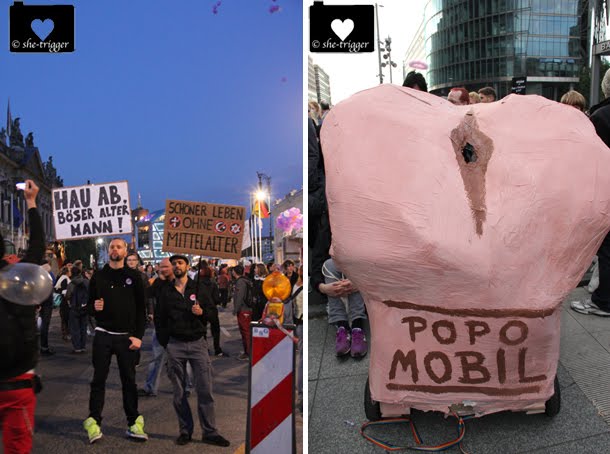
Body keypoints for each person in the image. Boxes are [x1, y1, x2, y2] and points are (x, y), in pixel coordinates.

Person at [156, 255, 230, 447]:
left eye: (180, 263)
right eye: (174, 264)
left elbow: (213, 314)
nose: (176, 266)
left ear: (187, 266)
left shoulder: (200, 289)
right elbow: (160, 318)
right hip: (175, 345)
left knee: (205, 390)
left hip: (197, 344)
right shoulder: (166, 291)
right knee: (179, 393)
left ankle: (210, 432)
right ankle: (185, 430)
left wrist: (202, 313)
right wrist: (166, 342)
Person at [83, 238, 148, 443]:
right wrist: (95, 308)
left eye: (119, 246)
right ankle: (94, 422)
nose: (115, 249)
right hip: (103, 335)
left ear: (125, 250)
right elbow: (90, 306)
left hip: (126, 337)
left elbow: (141, 310)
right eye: (112, 247)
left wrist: (138, 336)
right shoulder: (99, 276)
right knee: (98, 380)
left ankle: (134, 423)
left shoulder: (135, 276)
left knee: (129, 381)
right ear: (108, 250)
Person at [0, 179, 45, 454]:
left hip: (18, 383)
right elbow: (38, 245)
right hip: (18, 384)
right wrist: (31, 202)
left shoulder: (19, 276)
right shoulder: (20, 279)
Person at [571, 69, 610, 316]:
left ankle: (603, 301)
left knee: (607, 248)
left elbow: (586, 159)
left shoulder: (602, 116)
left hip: (605, 190)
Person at [138, 257, 173, 397]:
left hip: (177, 328)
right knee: (156, 358)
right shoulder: (158, 282)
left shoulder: (180, 282)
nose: (162, 269)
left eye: (166, 267)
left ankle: (186, 386)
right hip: (160, 327)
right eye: (161, 267)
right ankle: (150, 387)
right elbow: (148, 295)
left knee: (181, 360)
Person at [319, 259, 368, 358]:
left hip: (364, 271)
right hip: (334, 270)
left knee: (355, 262)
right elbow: (317, 264)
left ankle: (357, 326)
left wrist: (360, 283)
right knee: (329, 265)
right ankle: (342, 325)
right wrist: (323, 288)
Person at [198, 265, 224, 357]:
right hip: (212, 309)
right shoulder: (213, 284)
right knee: (215, 331)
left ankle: (205, 349)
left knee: (202, 331)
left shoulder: (197, 284)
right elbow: (217, 298)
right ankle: (217, 349)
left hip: (201, 310)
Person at [66, 266, 90, 353]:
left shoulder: (71, 284)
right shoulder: (87, 282)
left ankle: (77, 347)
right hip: (84, 308)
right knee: (83, 327)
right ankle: (83, 346)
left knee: (75, 328)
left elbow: (68, 296)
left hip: (74, 308)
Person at [232, 265, 253, 360]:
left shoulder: (240, 282)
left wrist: (236, 309)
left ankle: (248, 352)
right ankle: (247, 351)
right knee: (246, 331)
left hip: (244, 309)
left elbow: (239, 297)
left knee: (245, 331)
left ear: (234, 272)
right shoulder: (244, 280)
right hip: (246, 309)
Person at [39, 260, 55, 356]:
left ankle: (43, 346)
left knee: (43, 326)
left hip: (43, 304)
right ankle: (44, 347)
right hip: (46, 304)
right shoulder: (46, 278)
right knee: (44, 326)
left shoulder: (40, 278)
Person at [54, 265, 71, 341]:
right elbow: (64, 291)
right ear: (67, 272)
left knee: (64, 318)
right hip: (64, 302)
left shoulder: (62, 278)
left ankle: (65, 334)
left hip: (62, 301)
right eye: (69, 271)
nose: (71, 272)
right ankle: (65, 334)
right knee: (65, 318)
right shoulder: (65, 279)